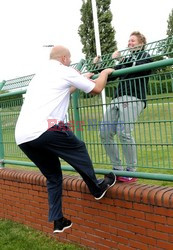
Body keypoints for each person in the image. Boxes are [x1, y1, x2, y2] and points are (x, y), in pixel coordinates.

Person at [15, 45, 116, 234]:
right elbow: (97, 88)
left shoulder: (41, 75)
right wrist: (104, 73)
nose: (70, 61)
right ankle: (97, 188)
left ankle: (58, 220)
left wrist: (79, 80)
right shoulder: (64, 70)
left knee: (53, 176)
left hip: (22, 136)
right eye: (69, 58)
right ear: (63, 58)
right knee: (78, 147)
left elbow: (62, 91)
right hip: (48, 127)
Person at [97, 31, 152, 182]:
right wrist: (99, 66)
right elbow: (111, 74)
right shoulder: (128, 58)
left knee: (124, 132)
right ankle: (117, 168)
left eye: (133, 41)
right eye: (129, 41)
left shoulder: (145, 56)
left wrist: (120, 59)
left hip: (133, 98)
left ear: (141, 43)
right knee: (104, 132)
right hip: (117, 98)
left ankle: (131, 171)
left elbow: (138, 67)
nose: (129, 43)